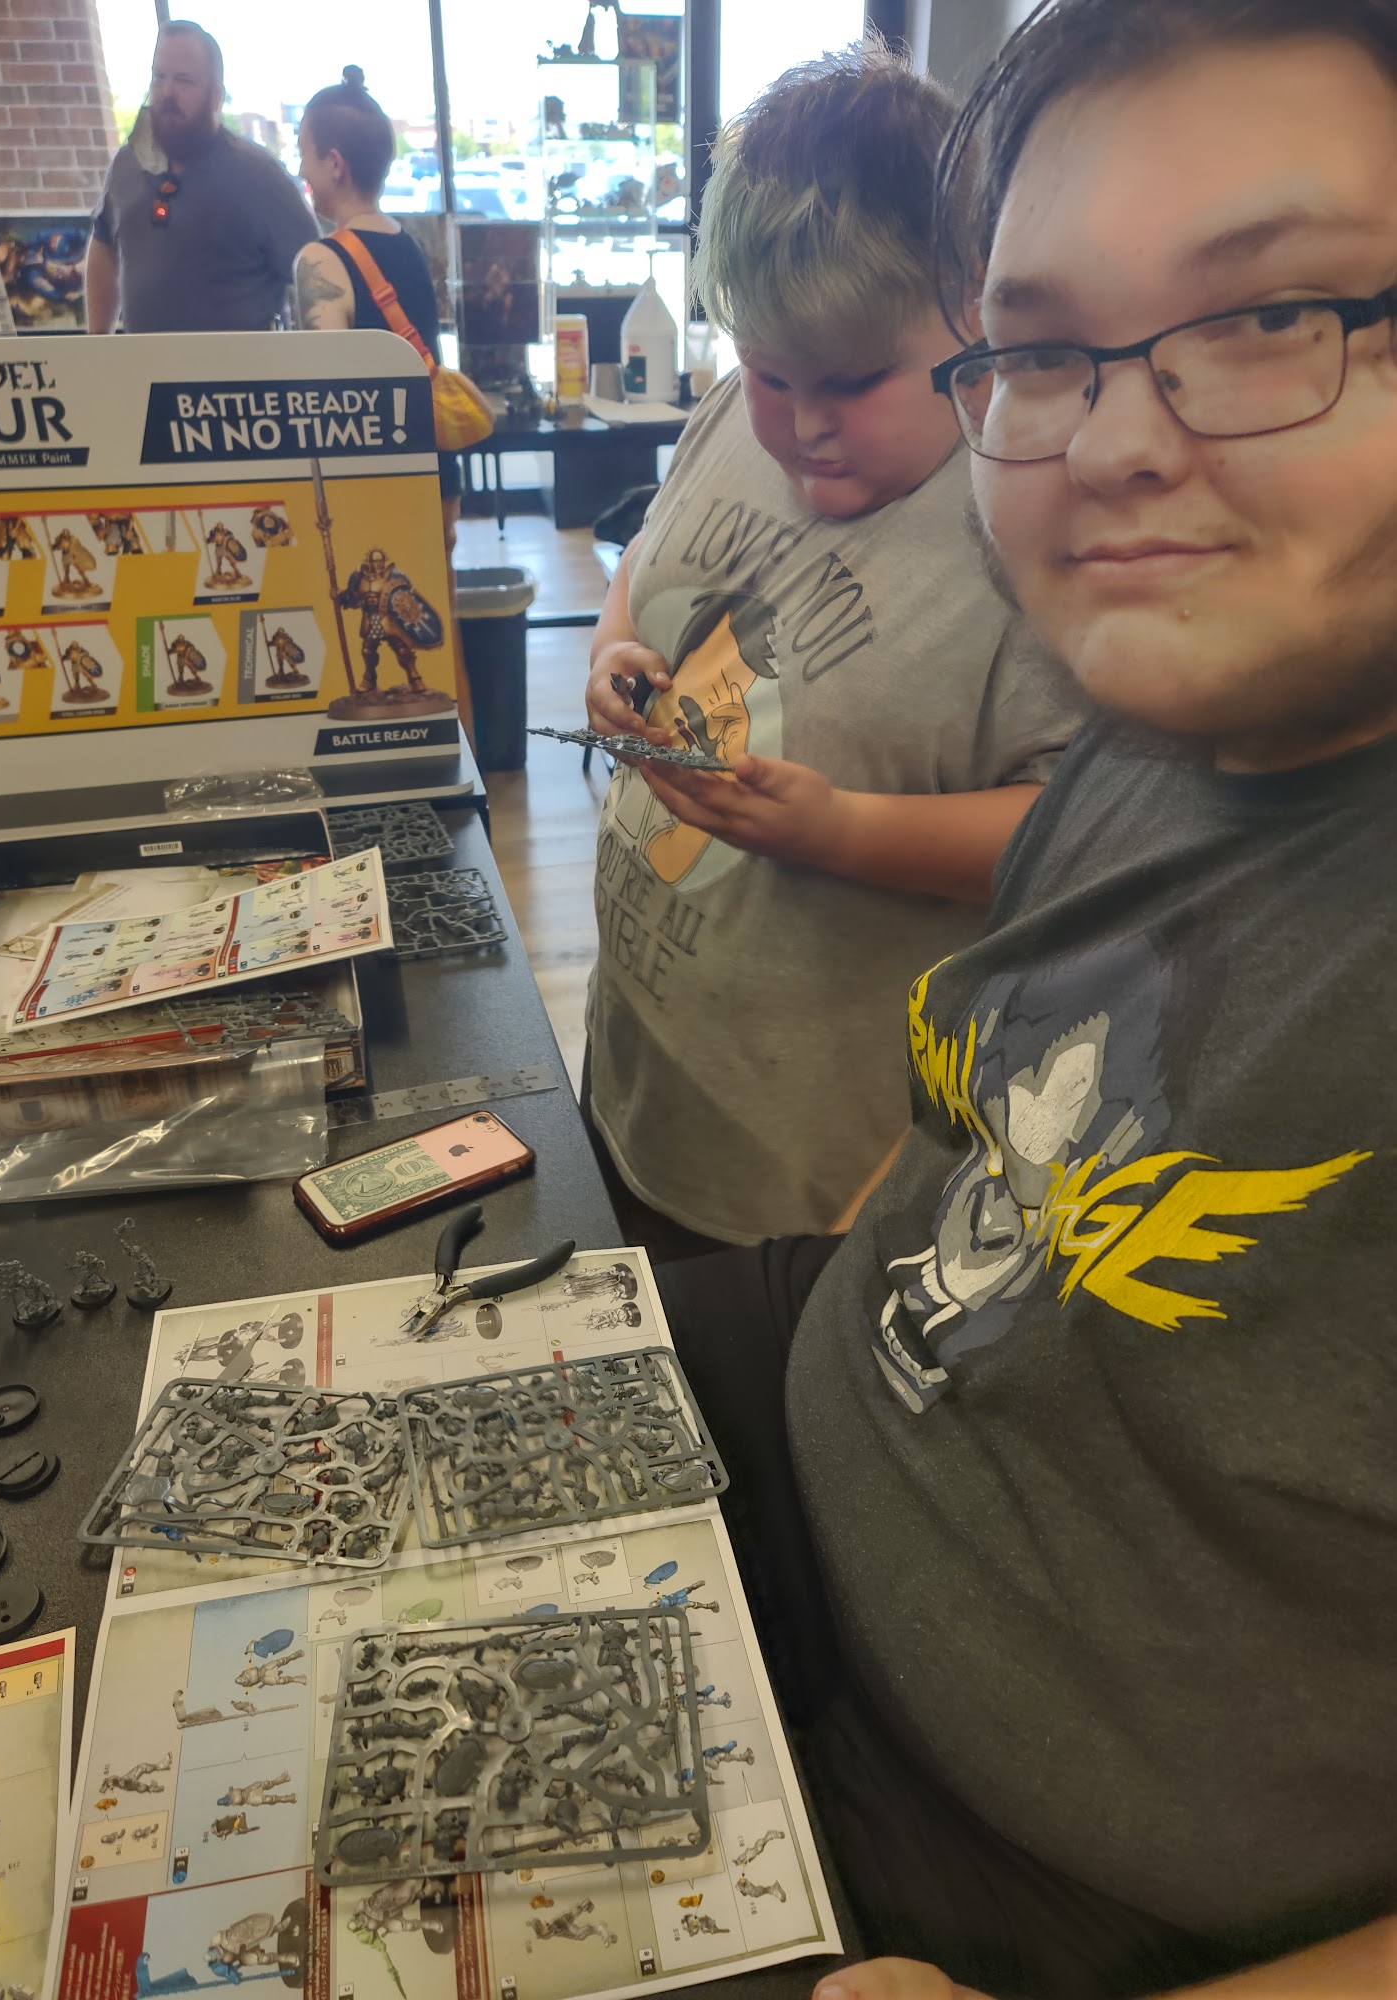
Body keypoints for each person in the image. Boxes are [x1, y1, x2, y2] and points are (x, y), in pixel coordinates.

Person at [657, 4, 1397, 1996]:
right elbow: (948, 1148)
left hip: (1012, 1877)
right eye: (1049, 350)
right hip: (796, 1435)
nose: (1119, 442)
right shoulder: (1155, 727)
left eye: (1277, 313)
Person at [581, 45, 1085, 1259]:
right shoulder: (729, 414)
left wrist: (840, 830)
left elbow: (1086, 832)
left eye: (854, 383)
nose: (804, 424)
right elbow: (646, 574)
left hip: (810, 1186)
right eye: (771, 374)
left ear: (970, 310)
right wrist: (612, 657)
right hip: (635, 1082)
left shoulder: (1037, 525)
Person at [293, 67, 472, 735]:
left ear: (334, 163)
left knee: (380, 647)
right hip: (436, 469)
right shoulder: (408, 245)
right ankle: (465, 760)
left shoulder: (321, 259)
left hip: (375, 482)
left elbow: (330, 386)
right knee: (440, 635)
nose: (302, 170)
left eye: (305, 153)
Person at [86, 19, 316, 335]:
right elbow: (103, 245)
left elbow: (316, 275)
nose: (167, 92)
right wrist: (97, 341)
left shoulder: (259, 176)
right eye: (159, 76)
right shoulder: (127, 163)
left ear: (216, 95)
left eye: (184, 80)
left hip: (239, 366)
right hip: (144, 364)